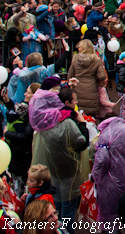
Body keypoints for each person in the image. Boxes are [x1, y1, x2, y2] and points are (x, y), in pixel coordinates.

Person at [30, 86, 89, 228]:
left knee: (55, 205)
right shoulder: (68, 123)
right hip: (69, 171)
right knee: (68, 208)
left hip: (51, 170)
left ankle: (55, 229)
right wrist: (82, 124)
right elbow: (81, 143)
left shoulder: (43, 124)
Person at [91, 116, 125, 225]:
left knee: (112, 216)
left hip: (111, 184)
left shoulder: (105, 136)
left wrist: (95, 177)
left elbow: (101, 160)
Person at [68, 39, 109, 119]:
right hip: (91, 90)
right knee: (91, 117)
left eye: (80, 47)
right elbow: (102, 76)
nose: (78, 49)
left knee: (78, 115)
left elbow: (70, 75)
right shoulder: (96, 60)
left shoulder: (75, 59)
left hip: (77, 89)